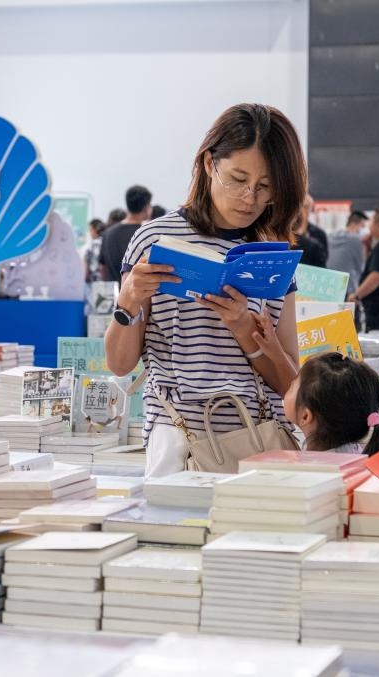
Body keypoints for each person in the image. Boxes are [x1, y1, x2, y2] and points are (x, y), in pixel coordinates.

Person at [105, 103, 307, 478]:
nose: (249, 198)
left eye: (265, 187)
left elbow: (290, 386)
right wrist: (129, 299)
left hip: (260, 436)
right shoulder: (154, 239)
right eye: (237, 178)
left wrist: (245, 331)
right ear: (209, 163)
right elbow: (119, 365)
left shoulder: (273, 254)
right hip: (180, 438)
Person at [99, 185, 153, 282]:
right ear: (146, 207)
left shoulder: (107, 233)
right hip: (135, 294)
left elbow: (103, 268)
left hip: (112, 293)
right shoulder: (146, 234)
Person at [327, 210, 368, 295]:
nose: (364, 230)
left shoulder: (331, 236)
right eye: (363, 226)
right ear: (354, 224)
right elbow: (361, 268)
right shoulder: (355, 239)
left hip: (330, 286)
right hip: (347, 289)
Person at [83, 218, 106, 283]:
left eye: (90, 230)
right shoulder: (108, 242)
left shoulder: (90, 246)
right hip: (109, 282)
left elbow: (86, 272)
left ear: (94, 230)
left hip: (94, 283)